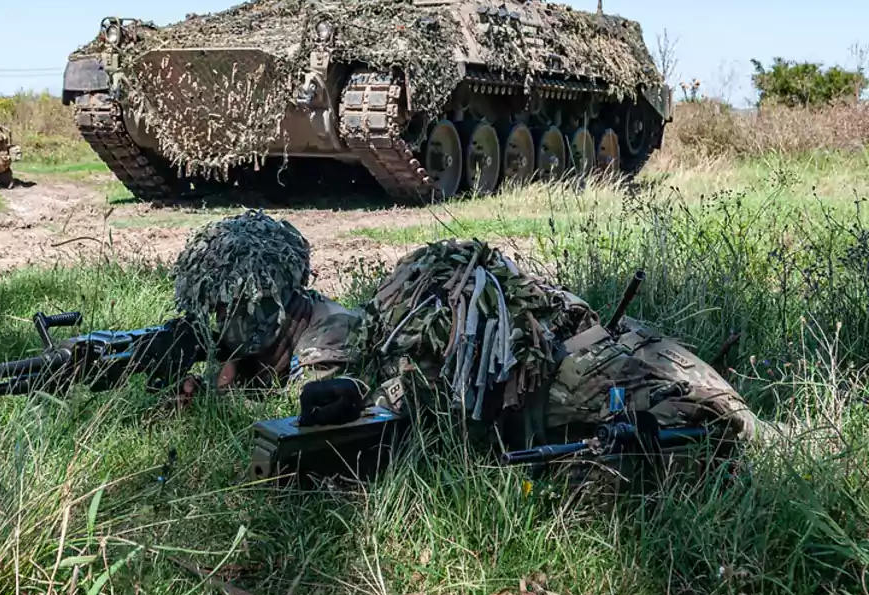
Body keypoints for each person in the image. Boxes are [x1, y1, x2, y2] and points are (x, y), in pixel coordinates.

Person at [171, 210, 764, 453]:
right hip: (597, 347)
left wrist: (223, 395)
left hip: (591, 369)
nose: (216, 329)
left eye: (221, 315)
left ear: (254, 308)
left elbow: (347, 410)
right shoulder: (318, 320)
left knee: (739, 434)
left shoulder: (329, 346)